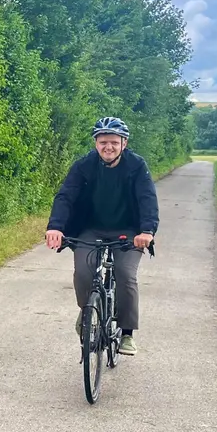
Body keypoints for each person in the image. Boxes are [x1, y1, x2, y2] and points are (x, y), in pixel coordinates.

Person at [44, 117, 158, 355]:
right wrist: (55, 227)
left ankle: (127, 333)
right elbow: (66, 196)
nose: (109, 147)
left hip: (129, 230)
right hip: (91, 228)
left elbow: (147, 199)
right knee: (84, 272)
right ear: (96, 143)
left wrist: (147, 231)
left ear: (124, 143)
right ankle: (87, 311)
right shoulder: (84, 166)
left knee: (126, 274)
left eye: (114, 142)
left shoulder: (136, 166)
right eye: (103, 142)